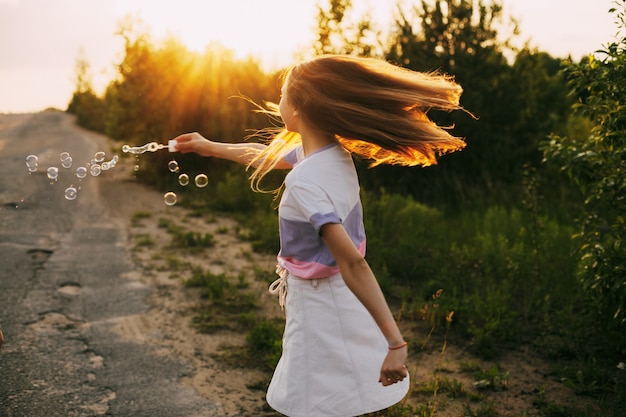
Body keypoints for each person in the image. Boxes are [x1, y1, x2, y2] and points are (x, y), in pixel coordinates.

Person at [172, 54, 466, 417]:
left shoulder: (304, 179)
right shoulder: (329, 154)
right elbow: (266, 156)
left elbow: (352, 262)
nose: (277, 101)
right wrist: (207, 146)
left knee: (313, 398)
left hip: (319, 303)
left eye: (282, 95)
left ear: (298, 110)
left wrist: (396, 343)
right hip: (332, 297)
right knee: (331, 394)